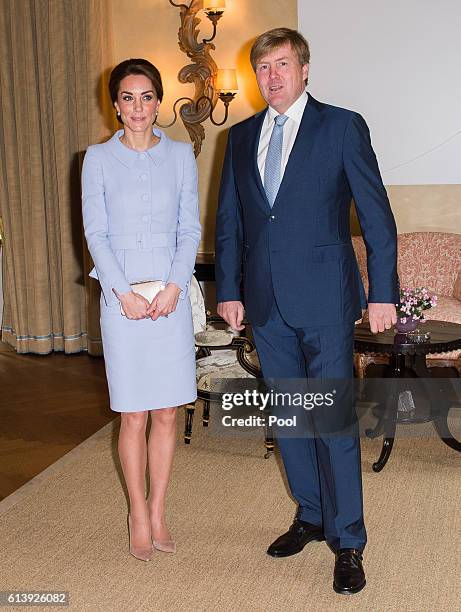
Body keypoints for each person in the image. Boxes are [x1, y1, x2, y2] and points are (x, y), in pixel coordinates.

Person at [215, 28, 398, 594]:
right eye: (263, 67)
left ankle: (349, 539)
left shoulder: (342, 126)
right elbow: (230, 222)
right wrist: (229, 288)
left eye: (283, 64)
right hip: (265, 302)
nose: (272, 76)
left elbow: (376, 215)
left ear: (305, 68)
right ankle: (312, 515)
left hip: (324, 299)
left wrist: (383, 292)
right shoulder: (240, 137)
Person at [82, 58, 201, 561]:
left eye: (147, 96)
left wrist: (175, 287)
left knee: (167, 412)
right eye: (128, 97)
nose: (138, 107)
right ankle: (136, 509)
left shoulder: (180, 157)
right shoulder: (96, 158)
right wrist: (123, 293)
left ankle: (158, 509)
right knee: (133, 414)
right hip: (122, 301)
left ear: (158, 102)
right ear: (115, 104)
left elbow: (189, 229)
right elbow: (96, 233)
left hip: (169, 301)